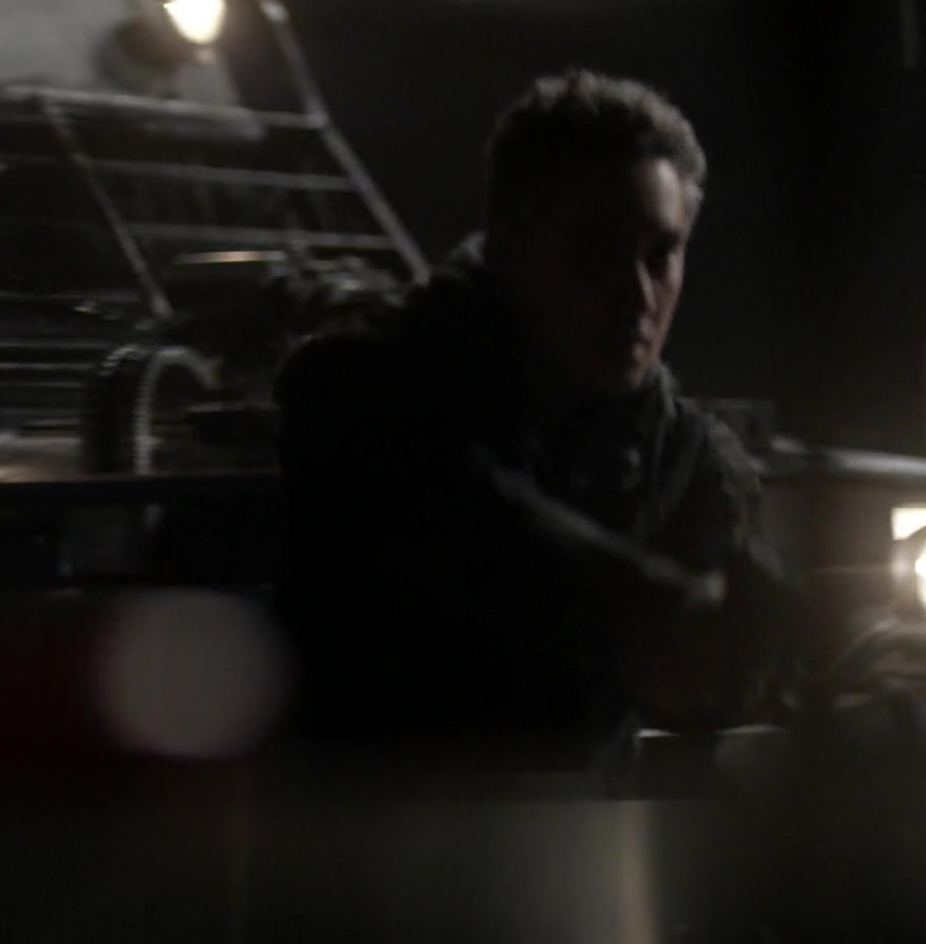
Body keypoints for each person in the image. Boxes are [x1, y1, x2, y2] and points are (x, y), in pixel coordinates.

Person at [272, 70, 791, 785]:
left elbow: (722, 678)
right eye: (594, 249)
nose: (636, 294)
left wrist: (741, 656)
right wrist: (647, 610)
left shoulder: (685, 456)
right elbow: (458, 520)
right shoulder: (363, 393)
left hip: (573, 842)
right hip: (375, 839)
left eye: (660, 254)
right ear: (508, 239)